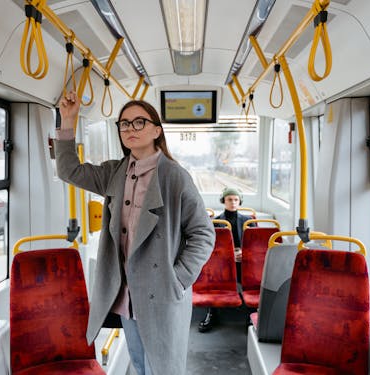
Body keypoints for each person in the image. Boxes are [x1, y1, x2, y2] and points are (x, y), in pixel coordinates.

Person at [54, 91, 215, 375]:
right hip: (128, 294)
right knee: (139, 364)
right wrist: (68, 120)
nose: (130, 129)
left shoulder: (175, 177)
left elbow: (203, 233)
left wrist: (177, 278)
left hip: (163, 293)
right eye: (124, 124)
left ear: (156, 129)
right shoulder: (114, 173)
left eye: (139, 122)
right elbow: (69, 171)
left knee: (164, 368)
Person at [198, 186, 255, 333]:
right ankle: (212, 312)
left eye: (236, 200)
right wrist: (228, 255)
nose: (233, 202)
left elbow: (253, 244)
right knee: (214, 274)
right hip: (223, 261)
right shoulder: (216, 222)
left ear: (240, 201)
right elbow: (213, 246)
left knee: (253, 274)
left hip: (244, 259)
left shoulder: (248, 221)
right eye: (230, 199)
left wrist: (245, 253)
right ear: (224, 201)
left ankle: (251, 312)